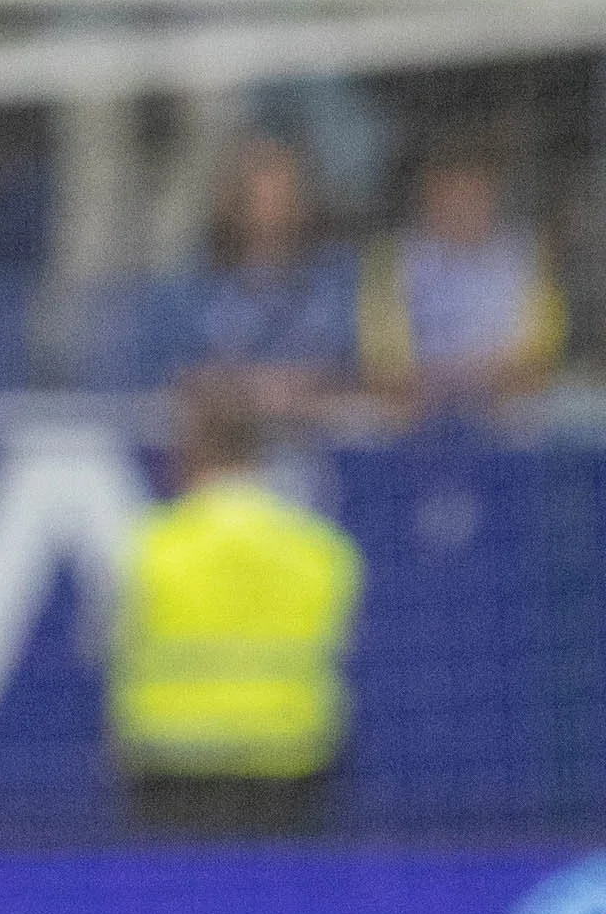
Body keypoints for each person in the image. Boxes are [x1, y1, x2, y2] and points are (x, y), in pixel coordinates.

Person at [111, 382, 361, 838]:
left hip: (172, 768)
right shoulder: (323, 552)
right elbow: (339, 647)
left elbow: (112, 644)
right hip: (288, 766)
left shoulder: (151, 547)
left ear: (190, 455)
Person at [137, 132, 358, 417]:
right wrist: (236, 390)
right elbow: (146, 386)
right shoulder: (182, 292)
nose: (272, 208)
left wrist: (313, 387)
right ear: (230, 199)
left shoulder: (342, 279)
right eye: (258, 194)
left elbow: (383, 381)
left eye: (284, 191)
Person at [358, 152, 564, 414]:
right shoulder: (391, 259)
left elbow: (540, 356)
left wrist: (488, 380)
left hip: (508, 402)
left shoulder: (527, 256)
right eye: (454, 194)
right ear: (430, 198)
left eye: (476, 195)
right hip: (414, 404)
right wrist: (433, 383)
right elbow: (382, 362)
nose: (464, 206)